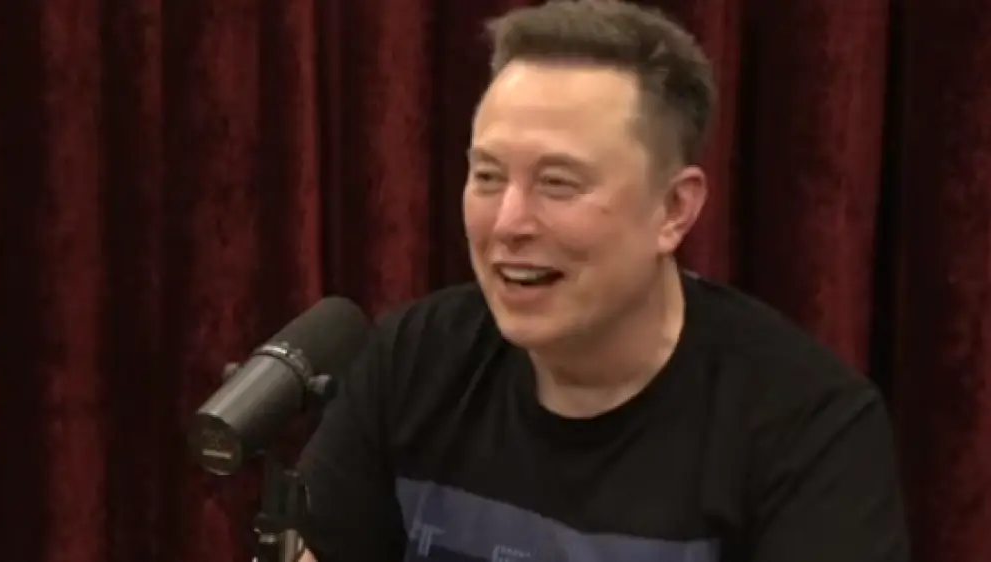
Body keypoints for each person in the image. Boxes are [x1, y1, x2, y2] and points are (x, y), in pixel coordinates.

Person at [295, 1, 911, 561]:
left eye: (558, 183)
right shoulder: (414, 360)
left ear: (674, 209)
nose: (508, 222)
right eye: (487, 177)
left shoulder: (808, 428)